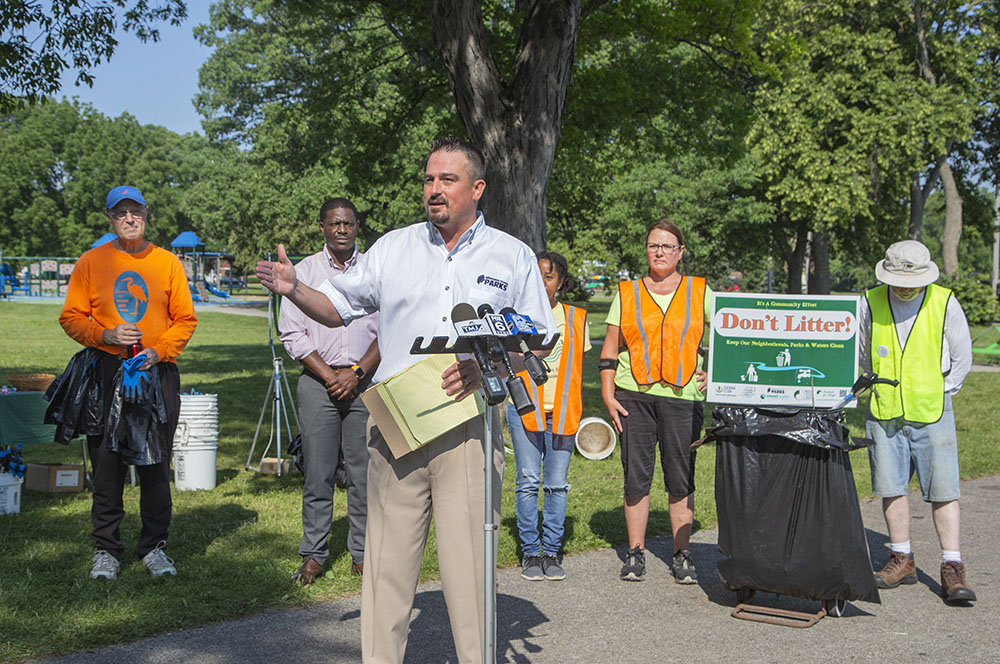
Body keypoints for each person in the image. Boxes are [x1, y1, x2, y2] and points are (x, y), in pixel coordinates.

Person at [256, 137, 554, 663]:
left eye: (447, 179)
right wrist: (293, 288)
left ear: (477, 188)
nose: (434, 189)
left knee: (468, 566)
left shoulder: (511, 255)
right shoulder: (392, 247)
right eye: (429, 179)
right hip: (394, 423)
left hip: (469, 424)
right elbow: (335, 307)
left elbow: (539, 337)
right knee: (386, 564)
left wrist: (488, 362)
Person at [57, 185, 197, 580]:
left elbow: (185, 320)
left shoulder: (167, 263)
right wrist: (105, 335)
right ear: (110, 218)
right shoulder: (91, 262)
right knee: (106, 465)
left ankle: (154, 547)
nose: (129, 218)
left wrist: (158, 351)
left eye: (135, 211)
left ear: (147, 214)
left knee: (155, 465)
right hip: (105, 373)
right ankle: (107, 550)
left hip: (155, 371)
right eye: (121, 213)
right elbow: (71, 317)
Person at [860, 240, 976, 604]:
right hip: (885, 407)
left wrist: (941, 391)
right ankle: (901, 556)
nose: (904, 285)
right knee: (890, 485)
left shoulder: (944, 301)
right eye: (897, 278)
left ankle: (952, 565)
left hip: (932, 410)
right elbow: (863, 351)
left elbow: (962, 357)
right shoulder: (871, 300)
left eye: (911, 279)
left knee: (943, 490)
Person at [599, 219, 711, 584]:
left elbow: (730, 335)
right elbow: (610, 349)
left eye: (667, 246)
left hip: (683, 398)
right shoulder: (628, 292)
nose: (660, 252)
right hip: (634, 396)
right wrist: (607, 392)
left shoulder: (700, 291)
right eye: (653, 245)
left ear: (680, 252)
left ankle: (682, 554)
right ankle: (635, 553)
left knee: (681, 479)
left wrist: (717, 374)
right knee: (637, 477)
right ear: (646, 250)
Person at [278, 197, 380, 586]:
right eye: (335, 223)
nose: (342, 229)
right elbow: (293, 333)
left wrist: (355, 373)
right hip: (317, 384)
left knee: (362, 472)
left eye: (349, 224)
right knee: (317, 474)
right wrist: (331, 377)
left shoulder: (373, 271)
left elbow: (389, 330)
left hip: (363, 381)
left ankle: (363, 552)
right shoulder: (302, 273)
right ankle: (314, 554)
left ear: (357, 227)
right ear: (321, 227)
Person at [509, 252, 591, 582]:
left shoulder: (575, 318)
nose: (543, 282)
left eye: (549, 276)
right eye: (537, 275)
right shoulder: (513, 320)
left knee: (556, 485)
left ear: (560, 281)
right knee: (528, 481)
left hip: (563, 409)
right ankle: (530, 551)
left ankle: (552, 550)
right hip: (526, 408)